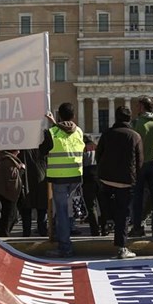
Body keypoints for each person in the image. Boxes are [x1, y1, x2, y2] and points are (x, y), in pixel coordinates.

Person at [40, 103, 85, 258]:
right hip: (76, 176)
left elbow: (43, 151)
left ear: (59, 116)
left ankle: (65, 247)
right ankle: (68, 235)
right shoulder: (78, 131)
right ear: (73, 116)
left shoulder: (52, 132)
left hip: (59, 177)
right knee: (70, 210)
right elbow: (67, 133)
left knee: (62, 213)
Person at [97, 105, 143, 259]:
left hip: (107, 178)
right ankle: (121, 247)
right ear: (130, 119)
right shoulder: (135, 136)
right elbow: (139, 161)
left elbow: (99, 155)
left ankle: (107, 223)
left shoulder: (106, 134)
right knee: (123, 214)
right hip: (125, 181)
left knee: (109, 207)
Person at [128, 96, 153, 239]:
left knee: (138, 197)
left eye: (138, 106)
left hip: (140, 164)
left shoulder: (136, 123)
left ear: (142, 107)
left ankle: (138, 227)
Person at [0, 149, 25, 237]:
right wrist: (21, 169)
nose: (19, 152)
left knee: (9, 215)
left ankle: (3, 233)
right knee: (10, 216)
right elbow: (13, 178)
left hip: (5, 192)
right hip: (9, 193)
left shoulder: (5, 159)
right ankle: (4, 235)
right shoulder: (8, 161)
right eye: (17, 150)